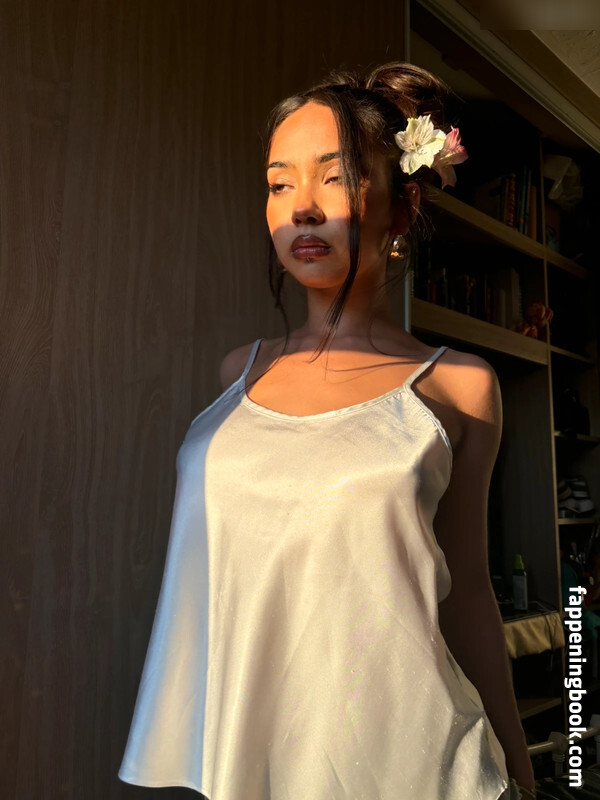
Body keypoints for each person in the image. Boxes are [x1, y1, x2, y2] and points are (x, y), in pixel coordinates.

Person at [118, 62, 536, 799]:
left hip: (419, 767)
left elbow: (468, 591)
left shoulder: (458, 387)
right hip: (251, 761)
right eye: (279, 184)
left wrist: (523, 770)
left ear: (403, 206)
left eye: (334, 178)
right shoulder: (237, 374)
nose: (302, 208)